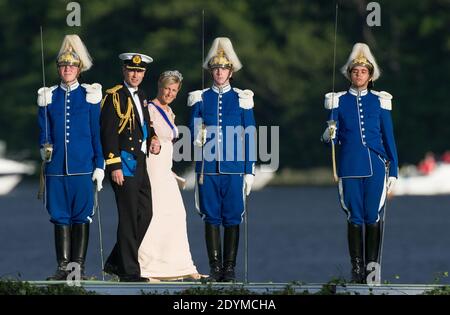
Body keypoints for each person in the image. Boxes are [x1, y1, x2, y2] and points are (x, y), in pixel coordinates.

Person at [321, 43, 399, 284]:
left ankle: (371, 273)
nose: (359, 75)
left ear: (370, 75)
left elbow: (389, 137)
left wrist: (394, 169)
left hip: (375, 165)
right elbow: (327, 138)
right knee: (354, 217)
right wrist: (329, 134)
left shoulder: (380, 101)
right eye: (355, 71)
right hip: (349, 165)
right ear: (349, 74)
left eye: (363, 72)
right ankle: (356, 271)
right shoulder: (338, 101)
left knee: (372, 216)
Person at [188, 37, 257, 282]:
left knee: (232, 216)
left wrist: (249, 170)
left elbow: (250, 135)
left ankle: (229, 269)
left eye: (224, 68)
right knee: (211, 217)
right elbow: (192, 128)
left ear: (231, 72)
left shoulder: (241, 98)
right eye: (215, 68)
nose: (219, 72)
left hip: (233, 167)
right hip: (208, 167)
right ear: (211, 71)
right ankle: (215, 267)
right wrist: (198, 134)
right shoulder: (200, 98)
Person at [37, 34, 104, 280]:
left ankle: (79, 269)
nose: (67, 69)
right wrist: (43, 149)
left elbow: (96, 134)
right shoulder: (48, 96)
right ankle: (63, 267)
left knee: (81, 216)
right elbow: (43, 131)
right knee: (59, 216)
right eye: (63, 66)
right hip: (56, 168)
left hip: (83, 167)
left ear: (79, 69)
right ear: (59, 69)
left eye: (72, 66)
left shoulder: (89, 95)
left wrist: (100, 165)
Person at [100, 52, 160, 282]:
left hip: (141, 161)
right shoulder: (114, 96)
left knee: (145, 213)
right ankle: (129, 271)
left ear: (144, 74)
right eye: (132, 70)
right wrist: (113, 164)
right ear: (124, 71)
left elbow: (145, 125)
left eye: (140, 71)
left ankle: (116, 261)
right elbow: (108, 133)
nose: (135, 75)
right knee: (128, 216)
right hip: (123, 162)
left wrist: (153, 138)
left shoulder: (142, 95)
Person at [138, 70, 202, 281]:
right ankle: (148, 268)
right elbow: (145, 133)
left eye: (174, 90)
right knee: (154, 215)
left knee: (176, 215)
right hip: (152, 167)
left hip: (165, 168)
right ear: (159, 86)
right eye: (167, 88)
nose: (170, 93)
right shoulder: (149, 109)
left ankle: (181, 266)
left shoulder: (170, 111)